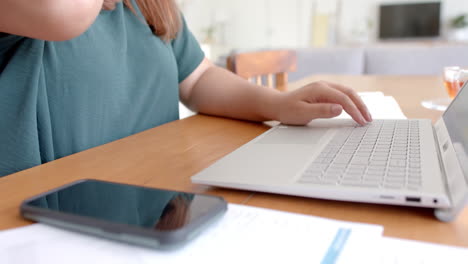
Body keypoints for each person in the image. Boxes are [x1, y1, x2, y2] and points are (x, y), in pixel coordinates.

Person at [0, 0, 372, 177]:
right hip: (42, 213)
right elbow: (61, 12)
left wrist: (277, 103)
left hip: (155, 193)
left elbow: (198, 78)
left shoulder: (148, 5)